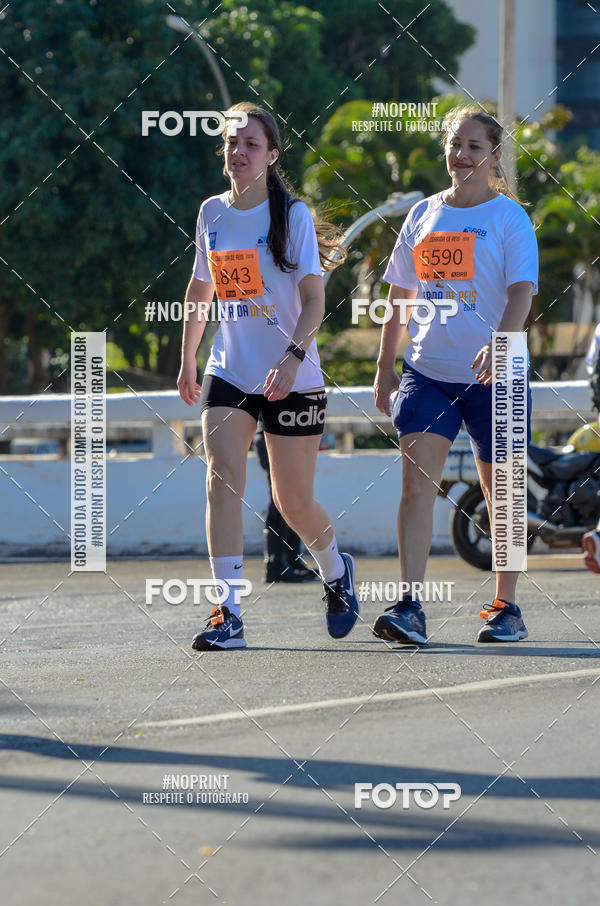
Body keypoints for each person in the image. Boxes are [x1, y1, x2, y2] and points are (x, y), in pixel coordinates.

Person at [177, 100, 359, 650]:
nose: (238, 151)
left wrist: (293, 357)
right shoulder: (211, 212)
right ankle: (227, 611)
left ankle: (336, 570)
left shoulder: (292, 216)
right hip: (230, 371)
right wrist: (188, 358)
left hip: (292, 375)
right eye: (232, 142)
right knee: (221, 478)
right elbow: (200, 290)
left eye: (251, 144)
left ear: (272, 155)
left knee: (292, 501)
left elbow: (314, 301)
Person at [372, 106, 538, 645]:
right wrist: (385, 366)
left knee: (502, 491)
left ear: (494, 156)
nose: (461, 155)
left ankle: (506, 606)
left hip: (499, 375)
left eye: (474, 146)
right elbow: (401, 295)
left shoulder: (509, 218)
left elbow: (521, 293)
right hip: (428, 373)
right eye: (455, 144)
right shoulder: (422, 214)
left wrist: (501, 344)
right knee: (415, 487)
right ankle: (409, 607)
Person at [253, 417, 318, 583]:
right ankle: (275, 563)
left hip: (287, 434)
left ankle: (290, 559)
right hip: (276, 434)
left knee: (293, 499)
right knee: (281, 499)